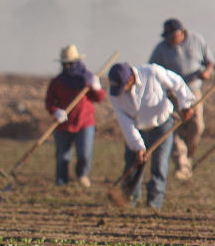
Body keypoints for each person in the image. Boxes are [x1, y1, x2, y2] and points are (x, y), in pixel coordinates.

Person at [107, 62, 195, 210]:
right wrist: (138, 146)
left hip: (161, 124)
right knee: (132, 164)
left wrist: (185, 105)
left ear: (130, 79)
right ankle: (129, 201)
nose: (122, 91)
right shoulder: (114, 94)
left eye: (123, 86)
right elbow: (124, 121)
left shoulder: (152, 72)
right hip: (136, 128)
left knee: (159, 165)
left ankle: (154, 205)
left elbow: (177, 83)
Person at [149, 18, 213, 180]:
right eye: (168, 37)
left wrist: (206, 72)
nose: (170, 40)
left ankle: (188, 155)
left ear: (181, 33)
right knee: (173, 129)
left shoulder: (197, 41)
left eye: (173, 36)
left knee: (197, 126)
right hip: (172, 95)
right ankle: (181, 165)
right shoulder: (161, 49)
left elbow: (210, 62)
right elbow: (152, 70)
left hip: (193, 91)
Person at [44, 44, 105, 188]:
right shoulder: (57, 82)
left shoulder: (87, 79)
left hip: (84, 122)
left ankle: (82, 175)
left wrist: (96, 88)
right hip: (63, 124)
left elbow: (98, 98)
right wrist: (55, 111)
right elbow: (49, 102)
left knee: (84, 154)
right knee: (62, 156)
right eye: (64, 64)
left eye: (70, 64)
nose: (67, 67)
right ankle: (61, 181)